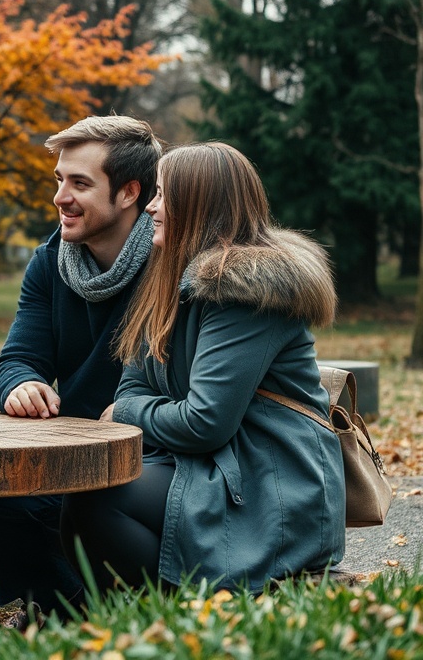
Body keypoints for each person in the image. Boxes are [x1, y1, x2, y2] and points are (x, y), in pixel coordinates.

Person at [60, 141, 345, 598]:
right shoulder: (168, 280)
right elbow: (133, 383)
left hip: (269, 481)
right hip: (207, 464)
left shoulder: (247, 293)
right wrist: (137, 404)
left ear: (199, 204)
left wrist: (129, 412)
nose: (151, 206)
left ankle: (179, 605)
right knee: (85, 490)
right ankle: (140, 604)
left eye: (162, 195)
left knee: (99, 500)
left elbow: (204, 422)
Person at [0, 114, 163, 624]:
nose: (60, 196)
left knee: (93, 506)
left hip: (151, 458)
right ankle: (66, 604)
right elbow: (16, 359)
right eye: (59, 179)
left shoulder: (170, 264)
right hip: (67, 457)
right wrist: (21, 384)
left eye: (79, 183)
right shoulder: (49, 261)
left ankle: (67, 608)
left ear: (129, 193)